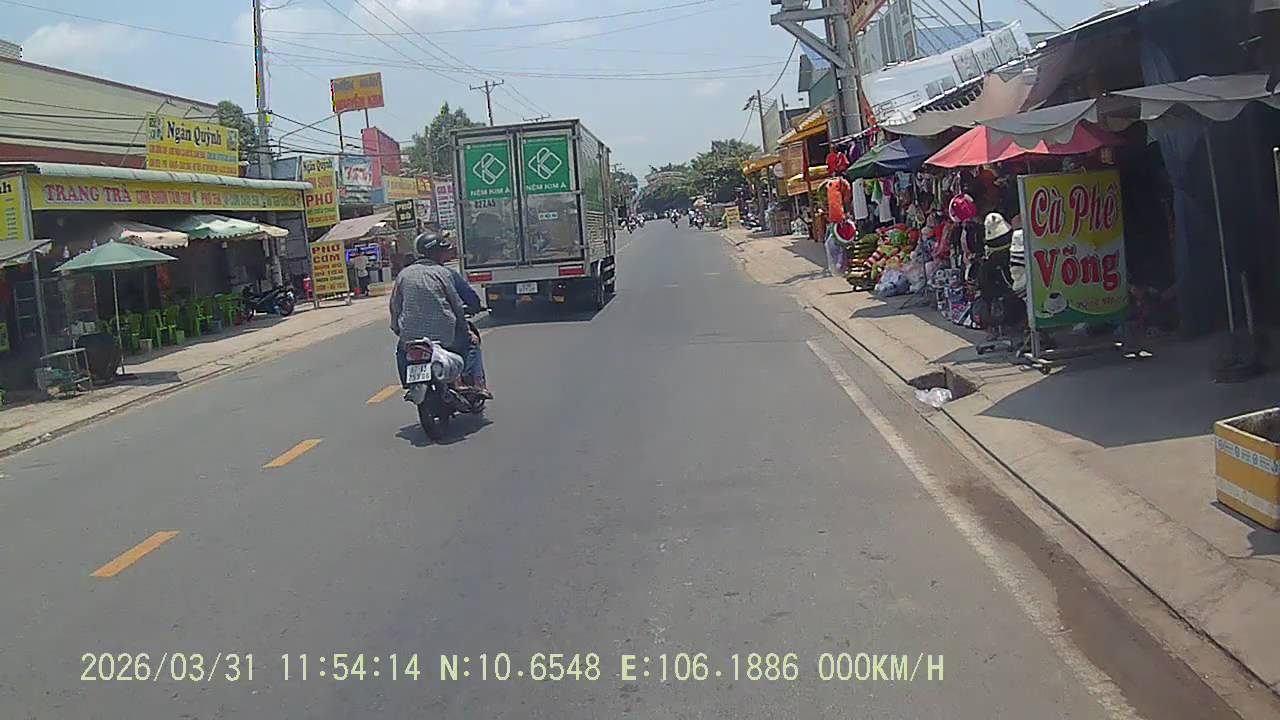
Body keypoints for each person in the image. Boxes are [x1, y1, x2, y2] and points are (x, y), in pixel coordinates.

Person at [390, 231, 490, 396]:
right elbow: (457, 305)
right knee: (471, 344)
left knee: (402, 350)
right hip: (445, 335)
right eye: (443, 251)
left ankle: (408, 383)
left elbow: (395, 306)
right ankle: (474, 383)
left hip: (411, 336)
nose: (446, 254)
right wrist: (467, 330)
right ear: (436, 253)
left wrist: (397, 329)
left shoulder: (403, 275)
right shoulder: (445, 273)